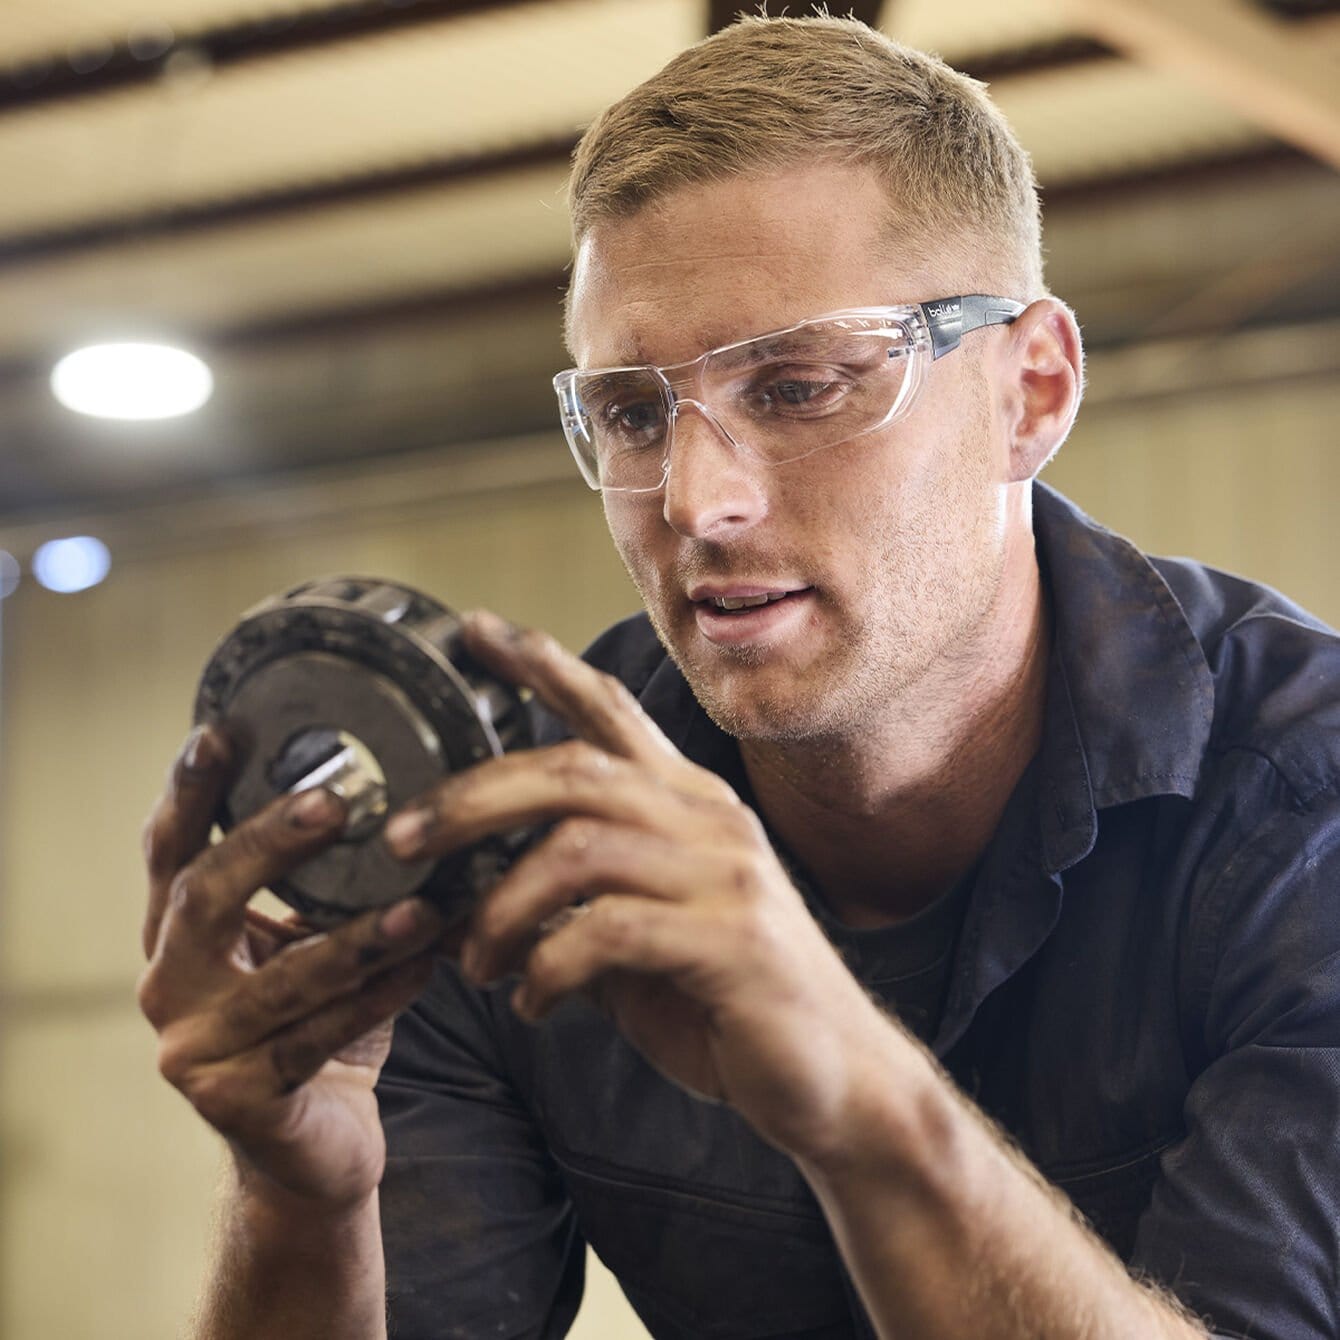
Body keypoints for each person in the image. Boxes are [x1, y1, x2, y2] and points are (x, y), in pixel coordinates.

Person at [137, 15, 1340, 1340]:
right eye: (634, 414)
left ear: (1031, 390)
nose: (699, 501)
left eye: (801, 385)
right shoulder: (512, 830)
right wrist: (304, 1196)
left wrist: (862, 1097)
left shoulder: (1306, 809)